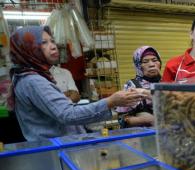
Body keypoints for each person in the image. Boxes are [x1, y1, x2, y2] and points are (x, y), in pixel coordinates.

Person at [8, 26, 150, 141]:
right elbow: (68, 114)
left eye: (52, 41)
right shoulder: (33, 81)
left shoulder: (31, 76)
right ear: (27, 49)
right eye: (44, 43)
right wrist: (110, 101)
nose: (53, 46)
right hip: (56, 149)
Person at [117, 46, 162, 127]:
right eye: (145, 62)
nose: (152, 64)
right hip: (143, 136)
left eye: (155, 60)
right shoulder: (132, 86)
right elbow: (122, 118)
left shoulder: (167, 83)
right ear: (138, 65)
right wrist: (145, 120)